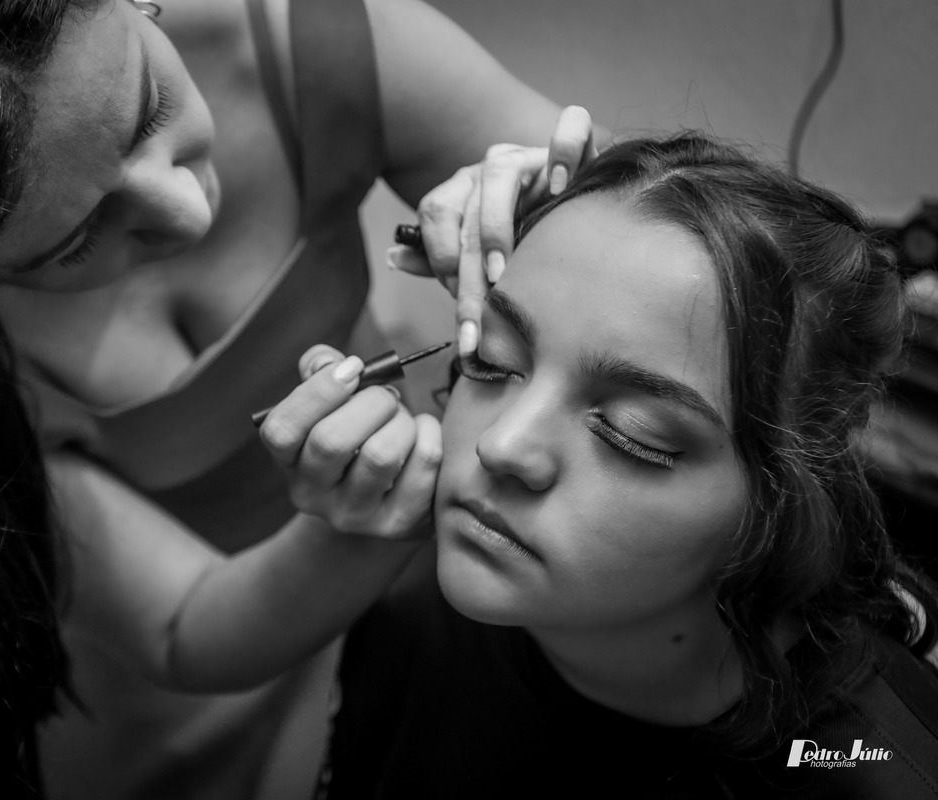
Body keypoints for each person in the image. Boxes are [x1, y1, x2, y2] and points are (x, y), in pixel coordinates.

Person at [0, 0, 598, 798]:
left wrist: (555, 206)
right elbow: (182, 625)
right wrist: (351, 530)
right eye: (75, 241)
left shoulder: (309, 35)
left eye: (151, 110)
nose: (187, 211)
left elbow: (659, 258)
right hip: (177, 715)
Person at [268, 133, 938, 798]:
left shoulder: (863, 769)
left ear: (782, 504)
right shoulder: (410, 602)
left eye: (631, 433)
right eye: (490, 361)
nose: (500, 446)